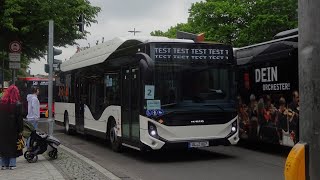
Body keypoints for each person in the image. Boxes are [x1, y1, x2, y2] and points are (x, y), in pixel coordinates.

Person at [0, 85, 23, 170]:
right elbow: (20, 120)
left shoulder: (1, 103)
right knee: (13, 146)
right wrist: (20, 130)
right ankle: (12, 164)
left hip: (2, 129)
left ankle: (3, 164)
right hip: (13, 129)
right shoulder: (17, 104)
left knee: (3, 145)